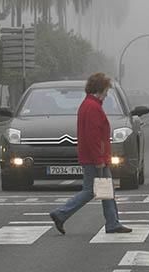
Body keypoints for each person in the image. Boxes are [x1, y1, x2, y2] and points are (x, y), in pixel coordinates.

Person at [49, 73, 131, 236]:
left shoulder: (89, 104)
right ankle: (61, 213)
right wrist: (99, 159)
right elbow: (93, 136)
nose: (107, 94)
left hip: (95, 157)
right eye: (106, 90)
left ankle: (112, 223)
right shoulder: (93, 107)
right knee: (90, 191)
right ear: (100, 89)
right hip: (95, 158)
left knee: (106, 190)